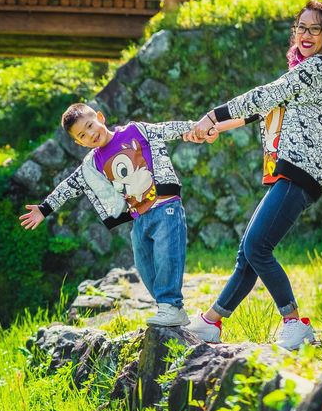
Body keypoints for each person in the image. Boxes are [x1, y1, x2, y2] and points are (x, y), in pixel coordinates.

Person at [185, 0, 322, 350]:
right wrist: (216, 127)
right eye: (301, 27)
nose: (306, 34)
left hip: (299, 173)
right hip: (293, 175)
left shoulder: (314, 69)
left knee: (257, 246)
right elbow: (260, 110)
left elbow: (261, 96)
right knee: (248, 253)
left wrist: (211, 115)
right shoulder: (306, 75)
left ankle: (294, 322)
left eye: (315, 28)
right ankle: (210, 321)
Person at [20, 103, 200, 327]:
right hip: (139, 216)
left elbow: (167, 128)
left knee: (166, 255)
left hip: (165, 205)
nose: (91, 134)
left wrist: (198, 127)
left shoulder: (135, 131)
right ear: (79, 142)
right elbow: (69, 186)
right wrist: (44, 208)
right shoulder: (92, 164)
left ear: (100, 117)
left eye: (90, 125)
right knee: (144, 263)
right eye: (83, 135)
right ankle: (170, 308)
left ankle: (170, 304)